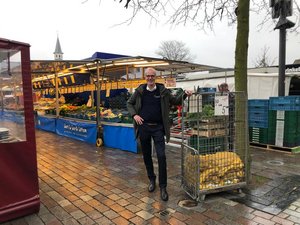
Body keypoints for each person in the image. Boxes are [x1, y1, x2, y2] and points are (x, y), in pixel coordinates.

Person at [127, 67, 192, 201]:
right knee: (146, 156)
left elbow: (175, 101)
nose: (150, 78)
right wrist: (134, 115)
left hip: (158, 128)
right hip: (143, 127)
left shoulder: (163, 91)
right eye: (148, 76)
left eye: (152, 76)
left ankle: (163, 186)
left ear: (155, 77)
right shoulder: (140, 91)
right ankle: (152, 179)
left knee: (161, 156)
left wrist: (185, 94)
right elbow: (129, 103)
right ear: (145, 77)